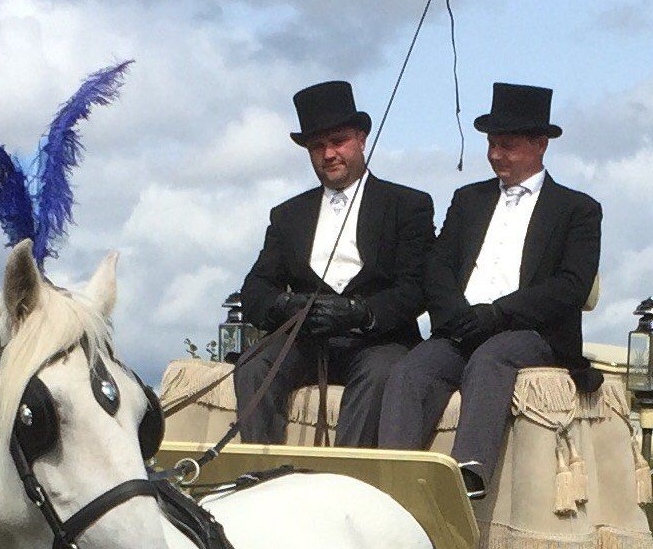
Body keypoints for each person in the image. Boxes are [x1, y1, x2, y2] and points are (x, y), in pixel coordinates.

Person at [375, 82, 601, 498]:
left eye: (508, 145)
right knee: (411, 370)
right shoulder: (468, 199)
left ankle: (468, 473)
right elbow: (438, 264)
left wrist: (498, 314)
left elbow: (571, 285)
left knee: (490, 360)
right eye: (492, 144)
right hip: (463, 325)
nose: (496, 154)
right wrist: (454, 315)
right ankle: (394, 474)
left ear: (539, 145)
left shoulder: (577, 210)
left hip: (531, 333)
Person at [235, 80, 434, 446]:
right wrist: (287, 305)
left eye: (338, 141)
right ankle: (262, 474)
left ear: (361, 138)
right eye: (317, 146)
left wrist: (362, 312)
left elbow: (417, 287)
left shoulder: (408, 205)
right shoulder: (288, 215)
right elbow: (255, 290)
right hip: (307, 341)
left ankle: (346, 480)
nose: (328, 154)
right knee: (253, 366)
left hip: (379, 341)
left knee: (381, 374)